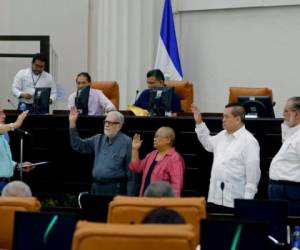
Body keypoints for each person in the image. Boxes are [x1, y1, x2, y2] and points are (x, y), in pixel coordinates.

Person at [191, 103, 260, 210]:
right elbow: (208, 144)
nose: (223, 120)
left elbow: (253, 177)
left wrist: (246, 204)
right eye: (223, 116)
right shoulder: (223, 135)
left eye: (226, 117)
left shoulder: (249, 142)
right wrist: (199, 122)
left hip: (234, 201)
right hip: (215, 197)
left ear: (237, 119)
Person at [69, 108, 139, 195]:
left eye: (110, 123)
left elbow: (132, 173)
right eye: (105, 122)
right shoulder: (98, 138)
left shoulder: (127, 142)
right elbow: (78, 146)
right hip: (96, 187)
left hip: (115, 188)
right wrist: (72, 122)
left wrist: (130, 198)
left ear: (119, 126)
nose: (106, 125)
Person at [129, 126, 185, 197]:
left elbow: (177, 186)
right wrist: (135, 149)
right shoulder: (152, 154)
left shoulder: (175, 158)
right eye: (155, 136)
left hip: (161, 203)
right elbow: (136, 168)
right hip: (144, 200)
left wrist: (171, 204)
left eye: (157, 136)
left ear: (168, 140)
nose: (154, 139)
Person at [269, 97, 300, 215]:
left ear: (297, 114)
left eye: (286, 111)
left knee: (293, 229)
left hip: (291, 192)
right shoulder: (293, 133)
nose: (283, 114)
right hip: (280, 191)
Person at [0, 109, 34, 192]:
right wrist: (18, 122)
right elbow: (16, 124)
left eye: (3, 113)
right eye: (0, 113)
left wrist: (18, 165)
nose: (4, 116)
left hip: (4, 182)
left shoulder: (3, 135)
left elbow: (3, 159)